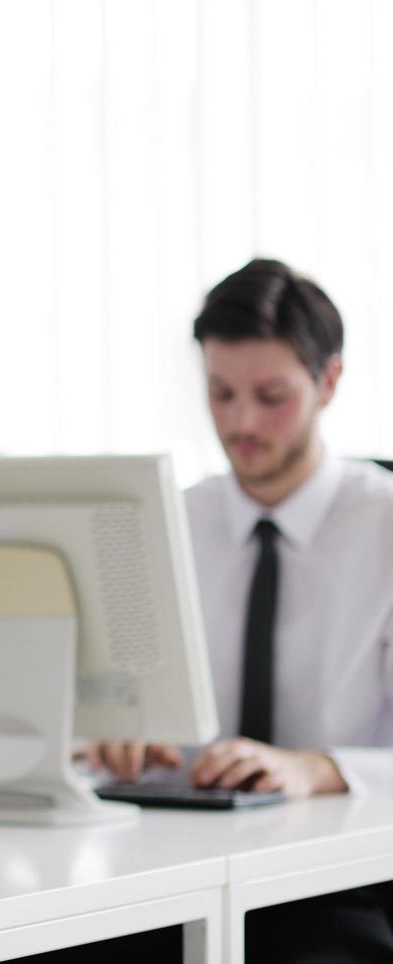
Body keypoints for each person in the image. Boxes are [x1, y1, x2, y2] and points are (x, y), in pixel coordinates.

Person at [84, 257, 393, 962]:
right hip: (166, 874)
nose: (241, 422)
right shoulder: (164, 521)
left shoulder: (384, 527)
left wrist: (315, 768)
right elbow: (107, 712)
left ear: (330, 382)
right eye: (220, 394)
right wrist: (116, 738)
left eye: (271, 396)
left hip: (331, 886)